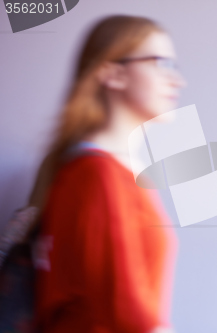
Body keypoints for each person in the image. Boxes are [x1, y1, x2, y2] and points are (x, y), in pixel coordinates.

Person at [28, 15, 185, 333]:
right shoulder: (96, 174)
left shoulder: (114, 171)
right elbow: (128, 313)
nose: (177, 81)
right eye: (160, 63)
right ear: (113, 73)